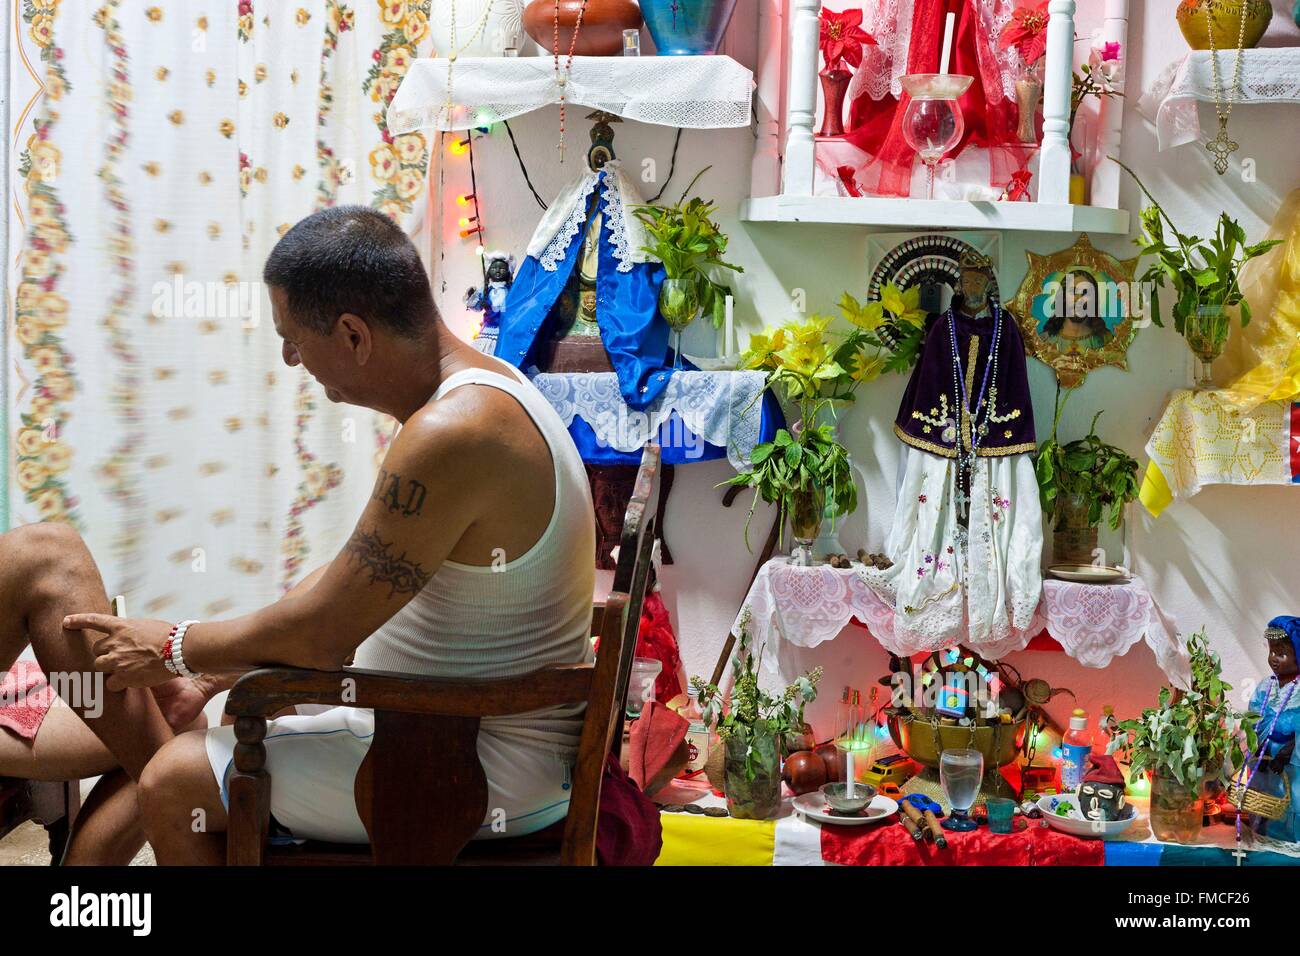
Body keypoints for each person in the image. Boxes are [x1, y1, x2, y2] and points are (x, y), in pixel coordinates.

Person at [51, 204, 595, 865]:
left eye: (294, 339)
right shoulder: (484, 392)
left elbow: (323, 635)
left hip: (473, 763)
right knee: (234, 721)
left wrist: (173, 646)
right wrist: (211, 670)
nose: (290, 359)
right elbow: (352, 581)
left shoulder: (453, 432)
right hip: (458, 734)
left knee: (171, 780)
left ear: (353, 335)